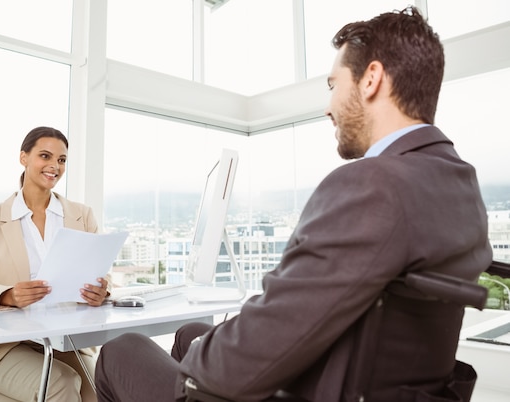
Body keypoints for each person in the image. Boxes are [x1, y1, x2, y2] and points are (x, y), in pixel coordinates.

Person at [93, 7, 493, 402]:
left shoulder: (374, 184)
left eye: (333, 85)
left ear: (371, 78)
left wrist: (208, 355)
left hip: (317, 391)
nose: (328, 107)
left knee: (121, 349)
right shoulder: (459, 183)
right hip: (373, 381)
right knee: (190, 334)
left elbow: (230, 369)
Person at [0, 126, 107, 401]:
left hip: (64, 339)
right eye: (45, 156)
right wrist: (8, 295)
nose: (54, 166)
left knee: (102, 388)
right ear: (23, 158)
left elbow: (99, 275)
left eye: (61, 160)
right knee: (61, 383)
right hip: (6, 344)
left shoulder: (82, 216)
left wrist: (101, 292)